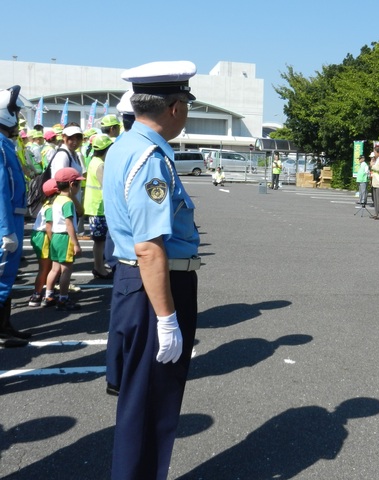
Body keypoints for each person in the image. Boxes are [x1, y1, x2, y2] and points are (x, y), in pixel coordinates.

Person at [102, 60, 200, 480]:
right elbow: (149, 247)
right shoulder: (151, 158)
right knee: (150, 406)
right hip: (156, 286)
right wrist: (167, 318)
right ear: (176, 107)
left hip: (135, 284)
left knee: (141, 402)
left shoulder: (124, 145)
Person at [0, 85, 30, 347]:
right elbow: (0, 188)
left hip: (12, 216)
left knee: (7, 276)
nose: (18, 116)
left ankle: (4, 326)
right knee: (1, 275)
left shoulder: (4, 143)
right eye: (15, 110)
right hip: (6, 219)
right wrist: (5, 229)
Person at [42, 167, 84, 311]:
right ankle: (63, 298)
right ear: (72, 184)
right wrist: (76, 243)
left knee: (55, 269)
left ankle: (48, 296)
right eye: (78, 184)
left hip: (55, 236)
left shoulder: (56, 200)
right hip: (65, 237)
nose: (79, 187)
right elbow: (69, 223)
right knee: (66, 270)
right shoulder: (68, 202)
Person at [84, 134, 114, 279]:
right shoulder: (100, 165)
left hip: (94, 206)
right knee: (100, 241)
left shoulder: (94, 161)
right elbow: (107, 186)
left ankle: (99, 266)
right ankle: (99, 268)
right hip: (98, 208)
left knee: (100, 240)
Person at [28, 179, 58, 307]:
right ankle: (37, 295)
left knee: (47, 268)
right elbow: (49, 226)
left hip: (38, 235)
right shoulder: (51, 207)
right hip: (43, 236)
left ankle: (43, 292)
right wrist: (54, 243)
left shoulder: (45, 204)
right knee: (44, 268)